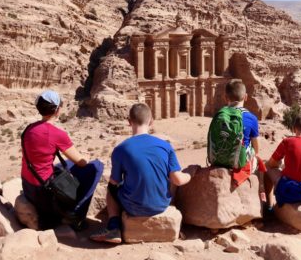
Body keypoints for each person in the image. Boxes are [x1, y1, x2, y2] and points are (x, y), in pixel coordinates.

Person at [90, 103, 192, 244]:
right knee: (168, 177)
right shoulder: (165, 146)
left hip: (133, 208)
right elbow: (178, 180)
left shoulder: (121, 149)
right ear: (151, 121)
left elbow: (114, 182)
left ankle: (113, 227)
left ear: (129, 122)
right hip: (161, 205)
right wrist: (190, 175)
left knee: (111, 188)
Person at [21, 90, 103, 230]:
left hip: (28, 188)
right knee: (97, 166)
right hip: (45, 195)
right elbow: (81, 162)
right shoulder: (57, 134)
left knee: (64, 164)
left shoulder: (29, 129)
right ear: (57, 110)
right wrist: (86, 157)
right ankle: (76, 214)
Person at [208, 79, 260, 176]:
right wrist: (255, 155)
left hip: (217, 161)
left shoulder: (219, 116)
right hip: (239, 163)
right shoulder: (251, 118)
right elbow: (256, 147)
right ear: (246, 97)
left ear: (225, 97)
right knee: (255, 154)